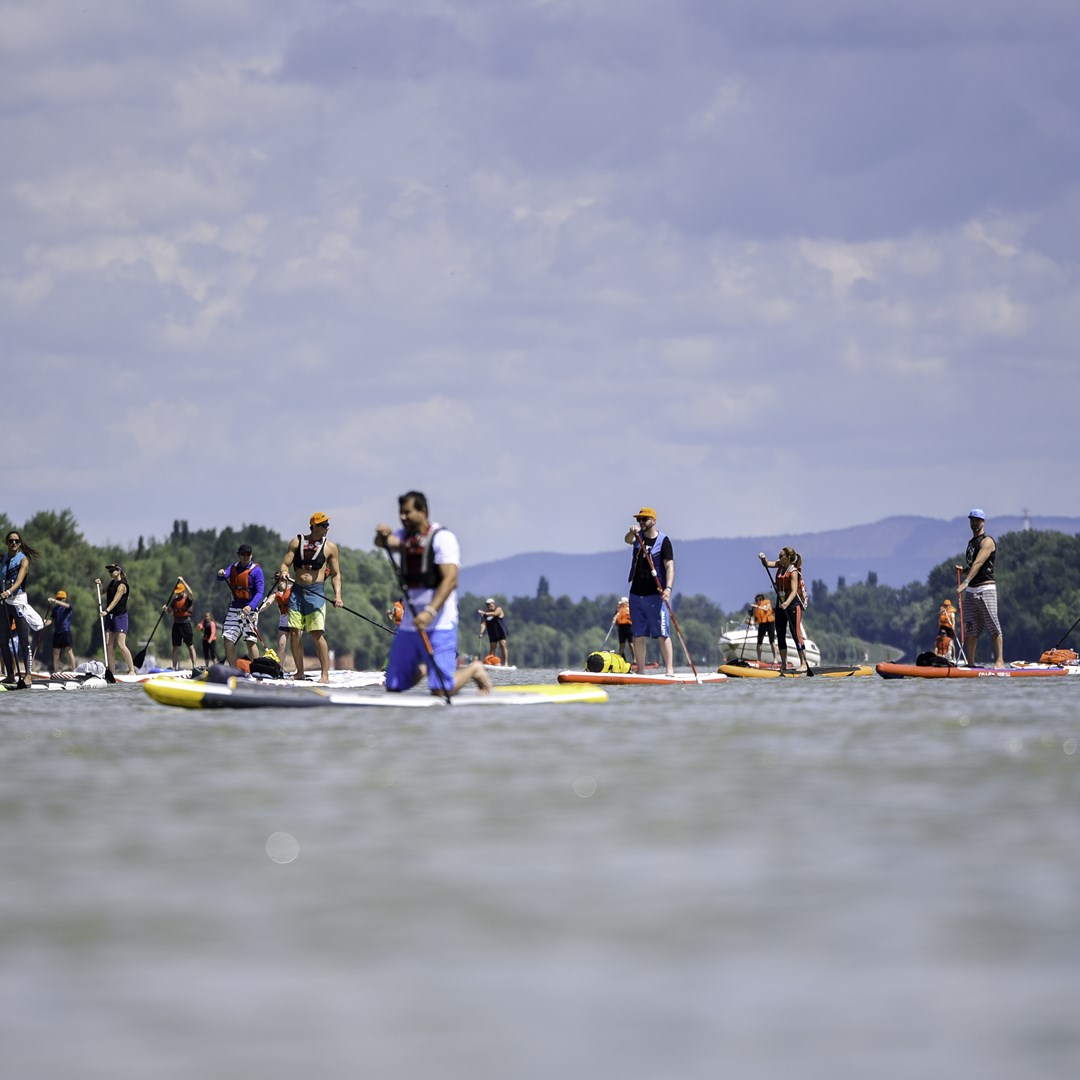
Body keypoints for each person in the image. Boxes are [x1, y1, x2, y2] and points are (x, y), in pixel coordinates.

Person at [374, 491, 490, 696]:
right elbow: (384, 543)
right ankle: (428, 668)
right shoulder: (403, 536)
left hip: (440, 623)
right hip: (410, 624)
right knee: (393, 687)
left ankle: (474, 669)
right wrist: (381, 535)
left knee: (440, 691)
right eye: (401, 513)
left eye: (408, 512)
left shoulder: (442, 538)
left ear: (423, 511)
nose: (403, 517)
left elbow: (450, 579)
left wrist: (429, 612)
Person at [277, 512, 343, 683]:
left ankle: (325, 675)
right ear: (314, 526)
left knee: (317, 633)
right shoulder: (296, 542)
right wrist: (284, 574)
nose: (327, 528)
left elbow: (336, 574)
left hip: (316, 593)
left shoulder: (330, 547)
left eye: (328, 525)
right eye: (324, 525)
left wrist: (338, 596)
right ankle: (299, 672)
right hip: (297, 592)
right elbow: (285, 564)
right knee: (294, 632)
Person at [623, 507, 675, 677]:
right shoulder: (637, 537)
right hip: (636, 594)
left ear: (653, 520)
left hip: (656, 595)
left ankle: (669, 669)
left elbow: (669, 566)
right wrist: (631, 532)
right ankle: (641, 671)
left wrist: (668, 588)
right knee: (638, 634)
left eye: (644, 519)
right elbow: (627, 540)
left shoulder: (663, 540)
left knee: (662, 633)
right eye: (639, 520)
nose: (641, 522)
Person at [957, 508, 1004, 669]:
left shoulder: (987, 541)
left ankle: (999, 661)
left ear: (983, 522)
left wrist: (966, 580)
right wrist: (964, 570)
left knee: (993, 624)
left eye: (977, 520)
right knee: (970, 628)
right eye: (972, 520)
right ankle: (970, 664)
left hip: (986, 588)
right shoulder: (971, 543)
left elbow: (979, 563)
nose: (974, 523)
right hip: (971, 591)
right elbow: (972, 565)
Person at [1, 530, 44, 684]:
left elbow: (19, 581)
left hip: (18, 602)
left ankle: (28, 676)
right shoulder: (3, 558)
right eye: (11, 541)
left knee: (24, 641)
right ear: (7, 543)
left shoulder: (23, 560)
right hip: (5, 604)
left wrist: (8, 592)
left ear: (20, 543)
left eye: (17, 541)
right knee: (3, 640)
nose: (14, 543)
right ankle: (11, 675)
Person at [758, 547, 807, 672]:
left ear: (788, 558)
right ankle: (783, 664)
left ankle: (804, 663)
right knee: (780, 633)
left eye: (781, 556)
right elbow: (767, 564)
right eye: (779, 556)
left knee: (795, 633)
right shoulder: (780, 565)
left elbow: (794, 590)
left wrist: (786, 603)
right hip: (781, 603)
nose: (779, 558)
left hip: (792, 603)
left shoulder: (793, 571)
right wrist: (763, 558)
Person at [217, 544, 265, 666]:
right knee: (228, 638)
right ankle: (233, 670)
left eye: (248, 555)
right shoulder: (233, 567)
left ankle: (256, 670)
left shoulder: (257, 571)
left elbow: (260, 592)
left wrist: (251, 607)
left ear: (251, 555)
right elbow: (222, 577)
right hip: (235, 608)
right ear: (239, 555)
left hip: (249, 610)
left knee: (250, 641)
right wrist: (221, 573)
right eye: (243, 555)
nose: (245, 557)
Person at [98, 563, 135, 677]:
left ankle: (132, 670)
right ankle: (112, 673)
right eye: (109, 571)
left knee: (121, 644)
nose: (110, 572)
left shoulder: (122, 586)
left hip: (120, 616)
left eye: (112, 570)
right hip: (110, 617)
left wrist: (106, 611)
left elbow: (115, 600)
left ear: (118, 571)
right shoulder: (111, 583)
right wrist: (99, 585)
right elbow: (102, 592)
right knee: (109, 644)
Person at [259, 577, 293, 672]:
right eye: (278, 580)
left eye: (282, 580)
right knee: (281, 645)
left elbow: (302, 585)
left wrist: (290, 579)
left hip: (296, 621)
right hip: (284, 622)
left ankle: (299, 670)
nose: (280, 582)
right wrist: (257, 611)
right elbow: (268, 603)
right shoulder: (275, 594)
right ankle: (280, 669)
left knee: (295, 645)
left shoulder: (293, 588)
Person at [166, 577, 198, 670]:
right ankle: (174, 667)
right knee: (175, 647)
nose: (178, 594)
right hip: (176, 624)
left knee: (190, 646)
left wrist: (182, 581)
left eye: (179, 592)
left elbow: (191, 593)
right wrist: (166, 609)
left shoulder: (188, 599)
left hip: (186, 624)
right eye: (177, 592)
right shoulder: (174, 601)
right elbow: (169, 611)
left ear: (183, 591)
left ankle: (194, 666)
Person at [44, 589, 77, 672]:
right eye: (58, 598)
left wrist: (55, 601)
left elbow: (66, 606)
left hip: (66, 632)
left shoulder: (68, 606)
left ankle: (74, 671)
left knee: (69, 651)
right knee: (55, 653)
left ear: (64, 599)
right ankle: (56, 672)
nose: (59, 600)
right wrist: (44, 623)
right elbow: (51, 620)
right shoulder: (55, 609)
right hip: (57, 632)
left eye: (60, 599)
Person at [477, 598, 509, 666]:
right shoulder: (486, 614)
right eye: (487, 605)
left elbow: (495, 614)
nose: (488, 606)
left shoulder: (498, 609)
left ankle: (506, 662)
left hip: (500, 631)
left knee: (502, 644)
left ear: (493, 603)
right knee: (492, 647)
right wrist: (481, 633)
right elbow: (483, 624)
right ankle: (491, 663)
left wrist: (485, 613)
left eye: (489, 604)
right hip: (492, 632)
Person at [752, 592, 778, 664]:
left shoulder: (767, 603)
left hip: (770, 623)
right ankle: (759, 659)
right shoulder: (756, 607)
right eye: (756, 600)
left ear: (762, 600)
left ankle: (775, 658)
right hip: (762, 624)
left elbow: (766, 609)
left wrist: (757, 607)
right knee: (759, 642)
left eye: (759, 600)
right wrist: (751, 621)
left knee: (772, 641)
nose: (758, 602)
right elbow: (754, 617)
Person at [612, 596, 634, 662]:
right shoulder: (618, 610)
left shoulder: (629, 608)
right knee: (621, 645)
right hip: (621, 628)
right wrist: (614, 620)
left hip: (629, 627)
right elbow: (615, 618)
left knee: (631, 644)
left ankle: (635, 660)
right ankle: (619, 660)